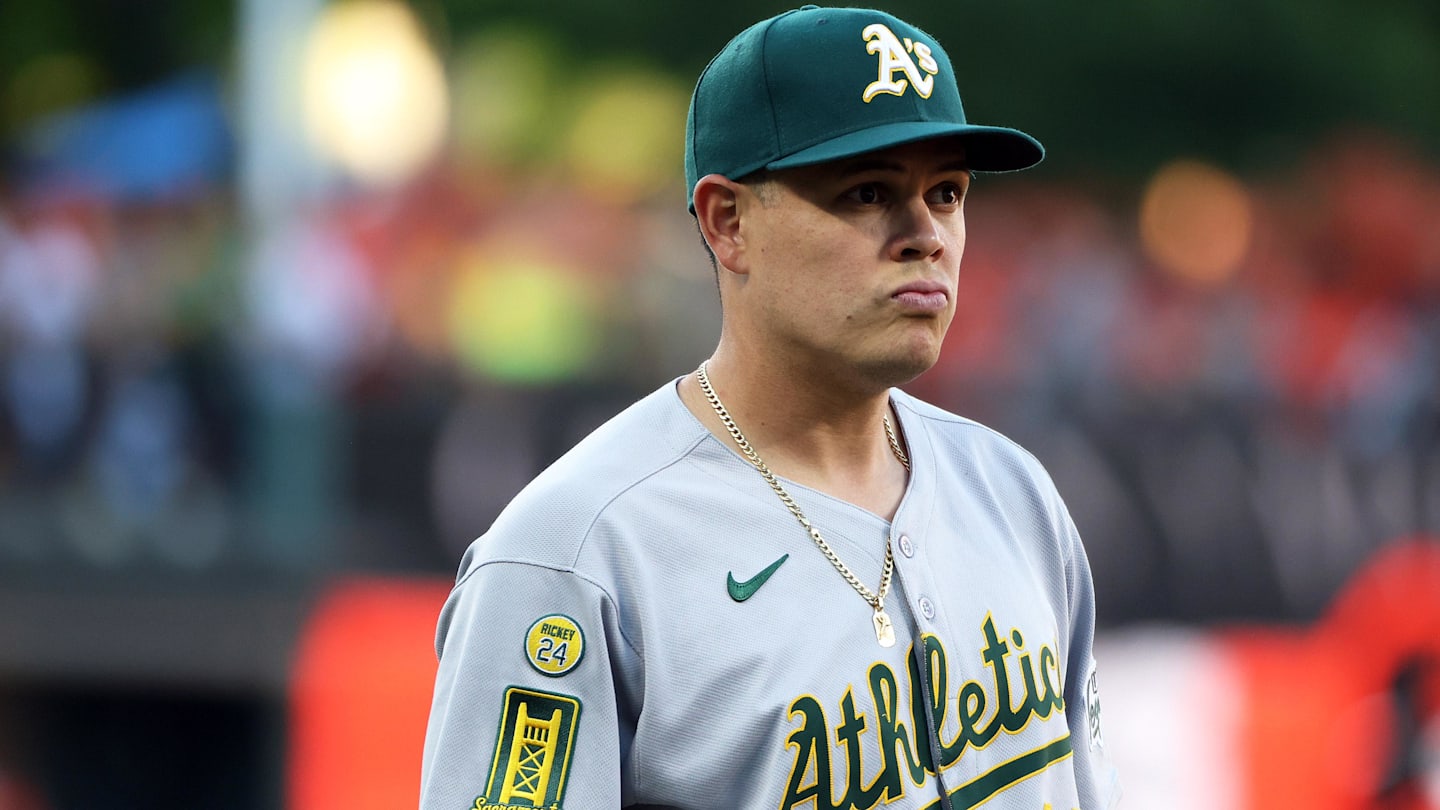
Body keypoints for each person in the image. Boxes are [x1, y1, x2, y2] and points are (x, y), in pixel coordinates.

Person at [420, 6, 1121, 809]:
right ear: (729, 224)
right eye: (867, 192)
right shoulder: (576, 551)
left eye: (948, 192)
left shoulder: (1015, 492)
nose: (926, 234)